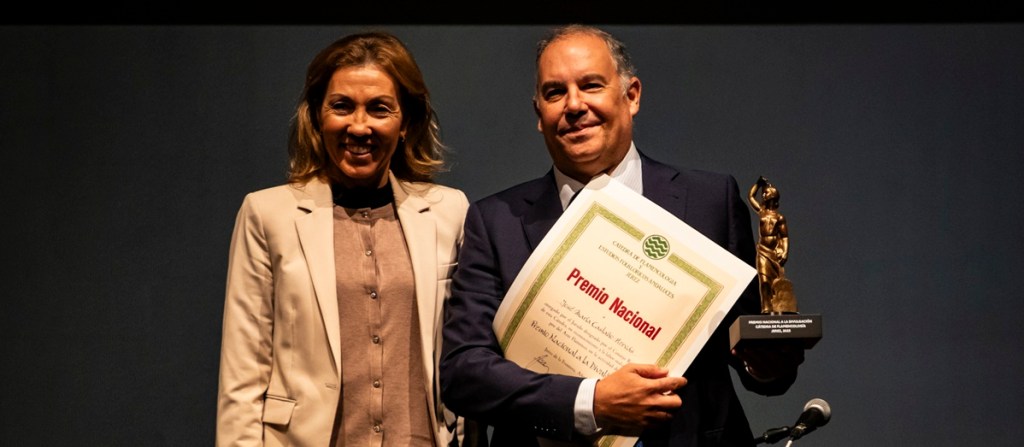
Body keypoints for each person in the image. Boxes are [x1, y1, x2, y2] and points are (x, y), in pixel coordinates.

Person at [439, 25, 805, 447]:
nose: (574, 105)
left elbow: (751, 358)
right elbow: (465, 373)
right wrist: (589, 402)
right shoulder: (494, 220)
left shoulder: (710, 200)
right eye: (555, 93)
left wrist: (768, 361)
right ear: (539, 114)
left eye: (591, 85)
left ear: (631, 95)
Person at [217, 31, 471, 447]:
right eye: (341, 107)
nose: (359, 126)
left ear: (405, 122)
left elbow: (465, 359)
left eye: (379, 109)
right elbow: (242, 378)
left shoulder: (450, 211)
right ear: (317, 116)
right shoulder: (267, 215)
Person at [748, 176, 796, 314]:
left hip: (774, 252)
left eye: (766, 193)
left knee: (776, 283)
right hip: (762, 250)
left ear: (772, 197)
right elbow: (750, 196)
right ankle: (766, 307)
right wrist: (758, 183)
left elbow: (784, 236)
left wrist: (785, 251)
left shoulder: (779, 217)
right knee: (763, 281)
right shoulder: (762, 212)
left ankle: (779, 306)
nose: (764, 195)